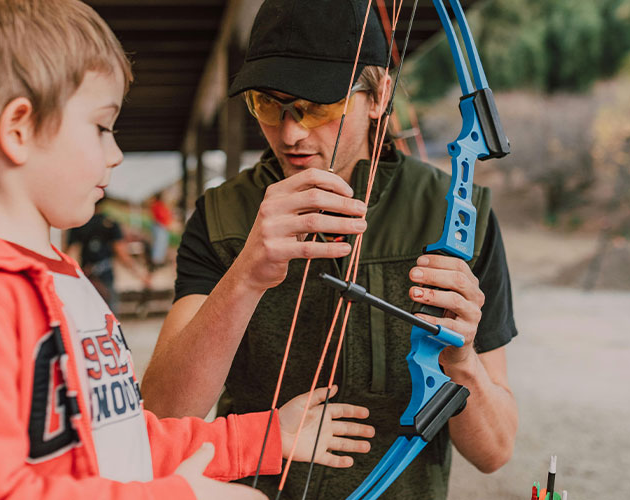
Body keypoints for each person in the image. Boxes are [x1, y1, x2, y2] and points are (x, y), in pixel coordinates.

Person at [0, 1, 376, 499]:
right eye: (101, 126)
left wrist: (268, 437)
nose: (116, 153)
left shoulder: (61, 278)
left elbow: (121, 440)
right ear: (18, 129)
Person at [141, 0, 518, 498]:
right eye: (267, 105)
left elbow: (495, 452)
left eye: (318, 107)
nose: (291, 132)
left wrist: (462, 359)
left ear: (379, 94)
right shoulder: (221, 215)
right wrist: (248, 271)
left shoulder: (457, 215)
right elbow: (161, 417)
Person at [67, 199, 150, 312]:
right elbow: (121, 252)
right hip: (105, 275)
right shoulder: (110, 223)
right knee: (109, 315)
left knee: (87, 313)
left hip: (87, 274)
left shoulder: (79, 223)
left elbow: (70, 253)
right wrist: (139, 274)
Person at [148, 192, 173, 268]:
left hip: (162, 226)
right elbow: (162, 216)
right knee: (159, 244)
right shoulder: (157, 205)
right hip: (160, 226)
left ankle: (159, 260)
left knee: (162, 244)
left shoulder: (161, 205)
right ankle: (156, 261)